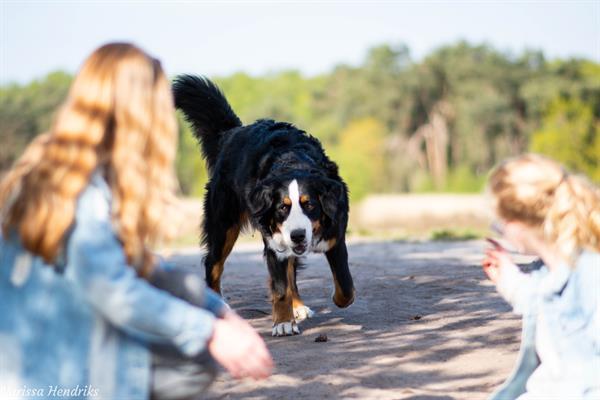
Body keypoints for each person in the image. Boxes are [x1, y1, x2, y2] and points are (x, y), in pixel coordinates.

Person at [0, 42, 272, 400]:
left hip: (36, 369)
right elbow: (114, 290)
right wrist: (210, 331)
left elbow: (137, 265)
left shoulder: (50, 174)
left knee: (181, 305)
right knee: (194, 358)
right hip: (52, 382)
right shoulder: (84, 193)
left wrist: (216, 309)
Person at [482, 154, 600, 399]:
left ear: (515, 225)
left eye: (499, 225)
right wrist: (509, 280)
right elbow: (544, 301)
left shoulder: (591, 275)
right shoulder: (550, 270)